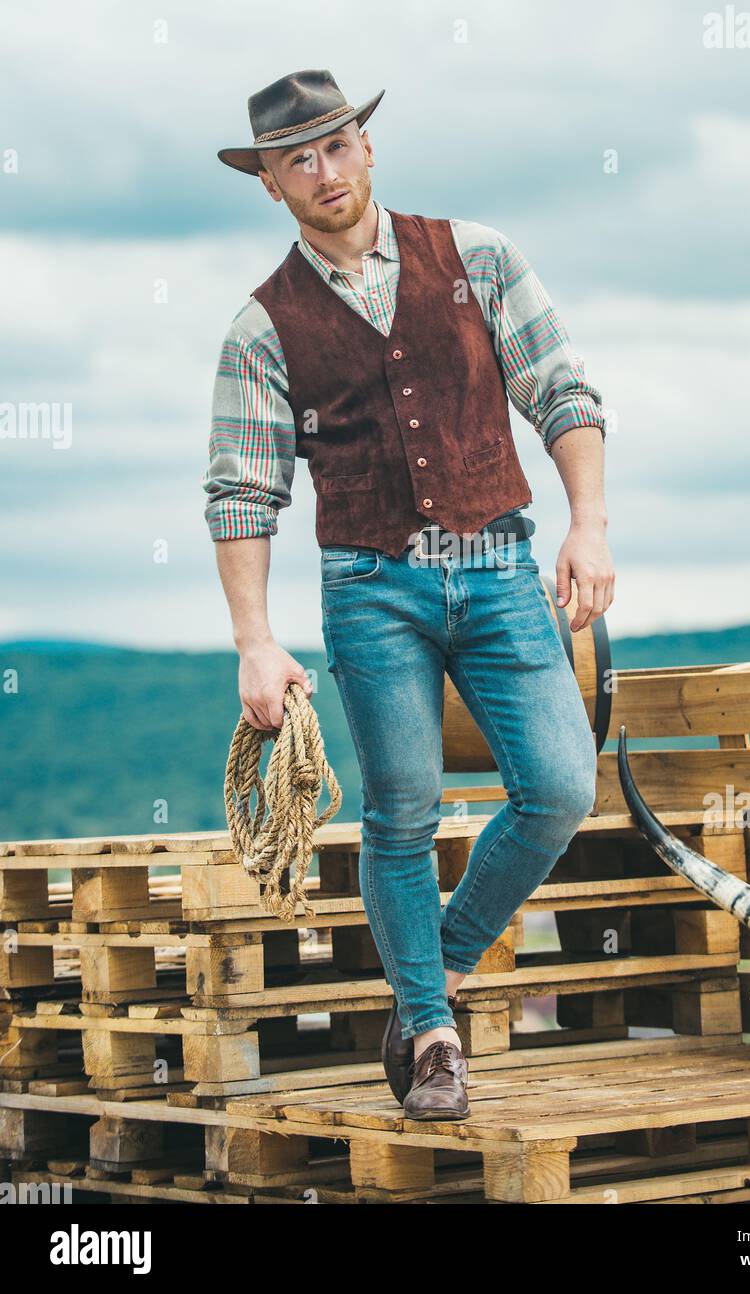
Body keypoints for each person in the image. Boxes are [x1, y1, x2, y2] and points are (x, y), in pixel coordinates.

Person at [203, 68, 615, 1120]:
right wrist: (255, 640)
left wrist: (589, 524)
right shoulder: (262, 326)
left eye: (337, 146)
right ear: (270, 184)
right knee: (401, 817)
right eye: (298, 158)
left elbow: (561, 390)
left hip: (499, 568)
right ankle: (433, 1036)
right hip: (369, 585)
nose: (323, 170)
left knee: (562, 786)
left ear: (368, 148)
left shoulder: (475, 256)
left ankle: (434, 969)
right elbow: (243, 490)